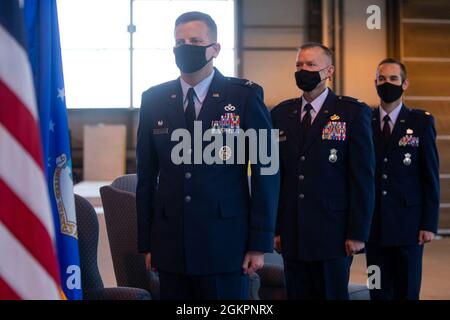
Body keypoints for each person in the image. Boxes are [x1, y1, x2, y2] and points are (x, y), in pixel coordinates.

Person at [136, 11, 279, 300]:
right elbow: (146, 177)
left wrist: (259, 242)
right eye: (180, 42)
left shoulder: (244, 97)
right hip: (171, 243)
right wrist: (147, 243)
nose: (185, 46)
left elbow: (267, 171)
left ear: (214, 49)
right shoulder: (153, 99)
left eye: (195, 40)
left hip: (226, 243)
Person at [270, 42, 375, 299]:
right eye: (299, 65)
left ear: (329, 71)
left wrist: (358, 233)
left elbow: (362, 177)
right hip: (292, 233)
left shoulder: (352, 112)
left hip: (334, 233)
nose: (303, 70)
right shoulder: (282, 114)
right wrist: (275, 229)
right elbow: (275, 177)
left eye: (310, 65)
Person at [366, 58, 440, 300]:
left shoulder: (421, 122)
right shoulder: (364, 120)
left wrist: (429, 224)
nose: (387, 83)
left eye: (393, 79)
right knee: (376, 290)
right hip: (373, 227)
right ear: (375, 82)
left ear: (405, 84)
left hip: (408, 226)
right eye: (382, 79)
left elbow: (429, 176)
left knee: (407, 291)